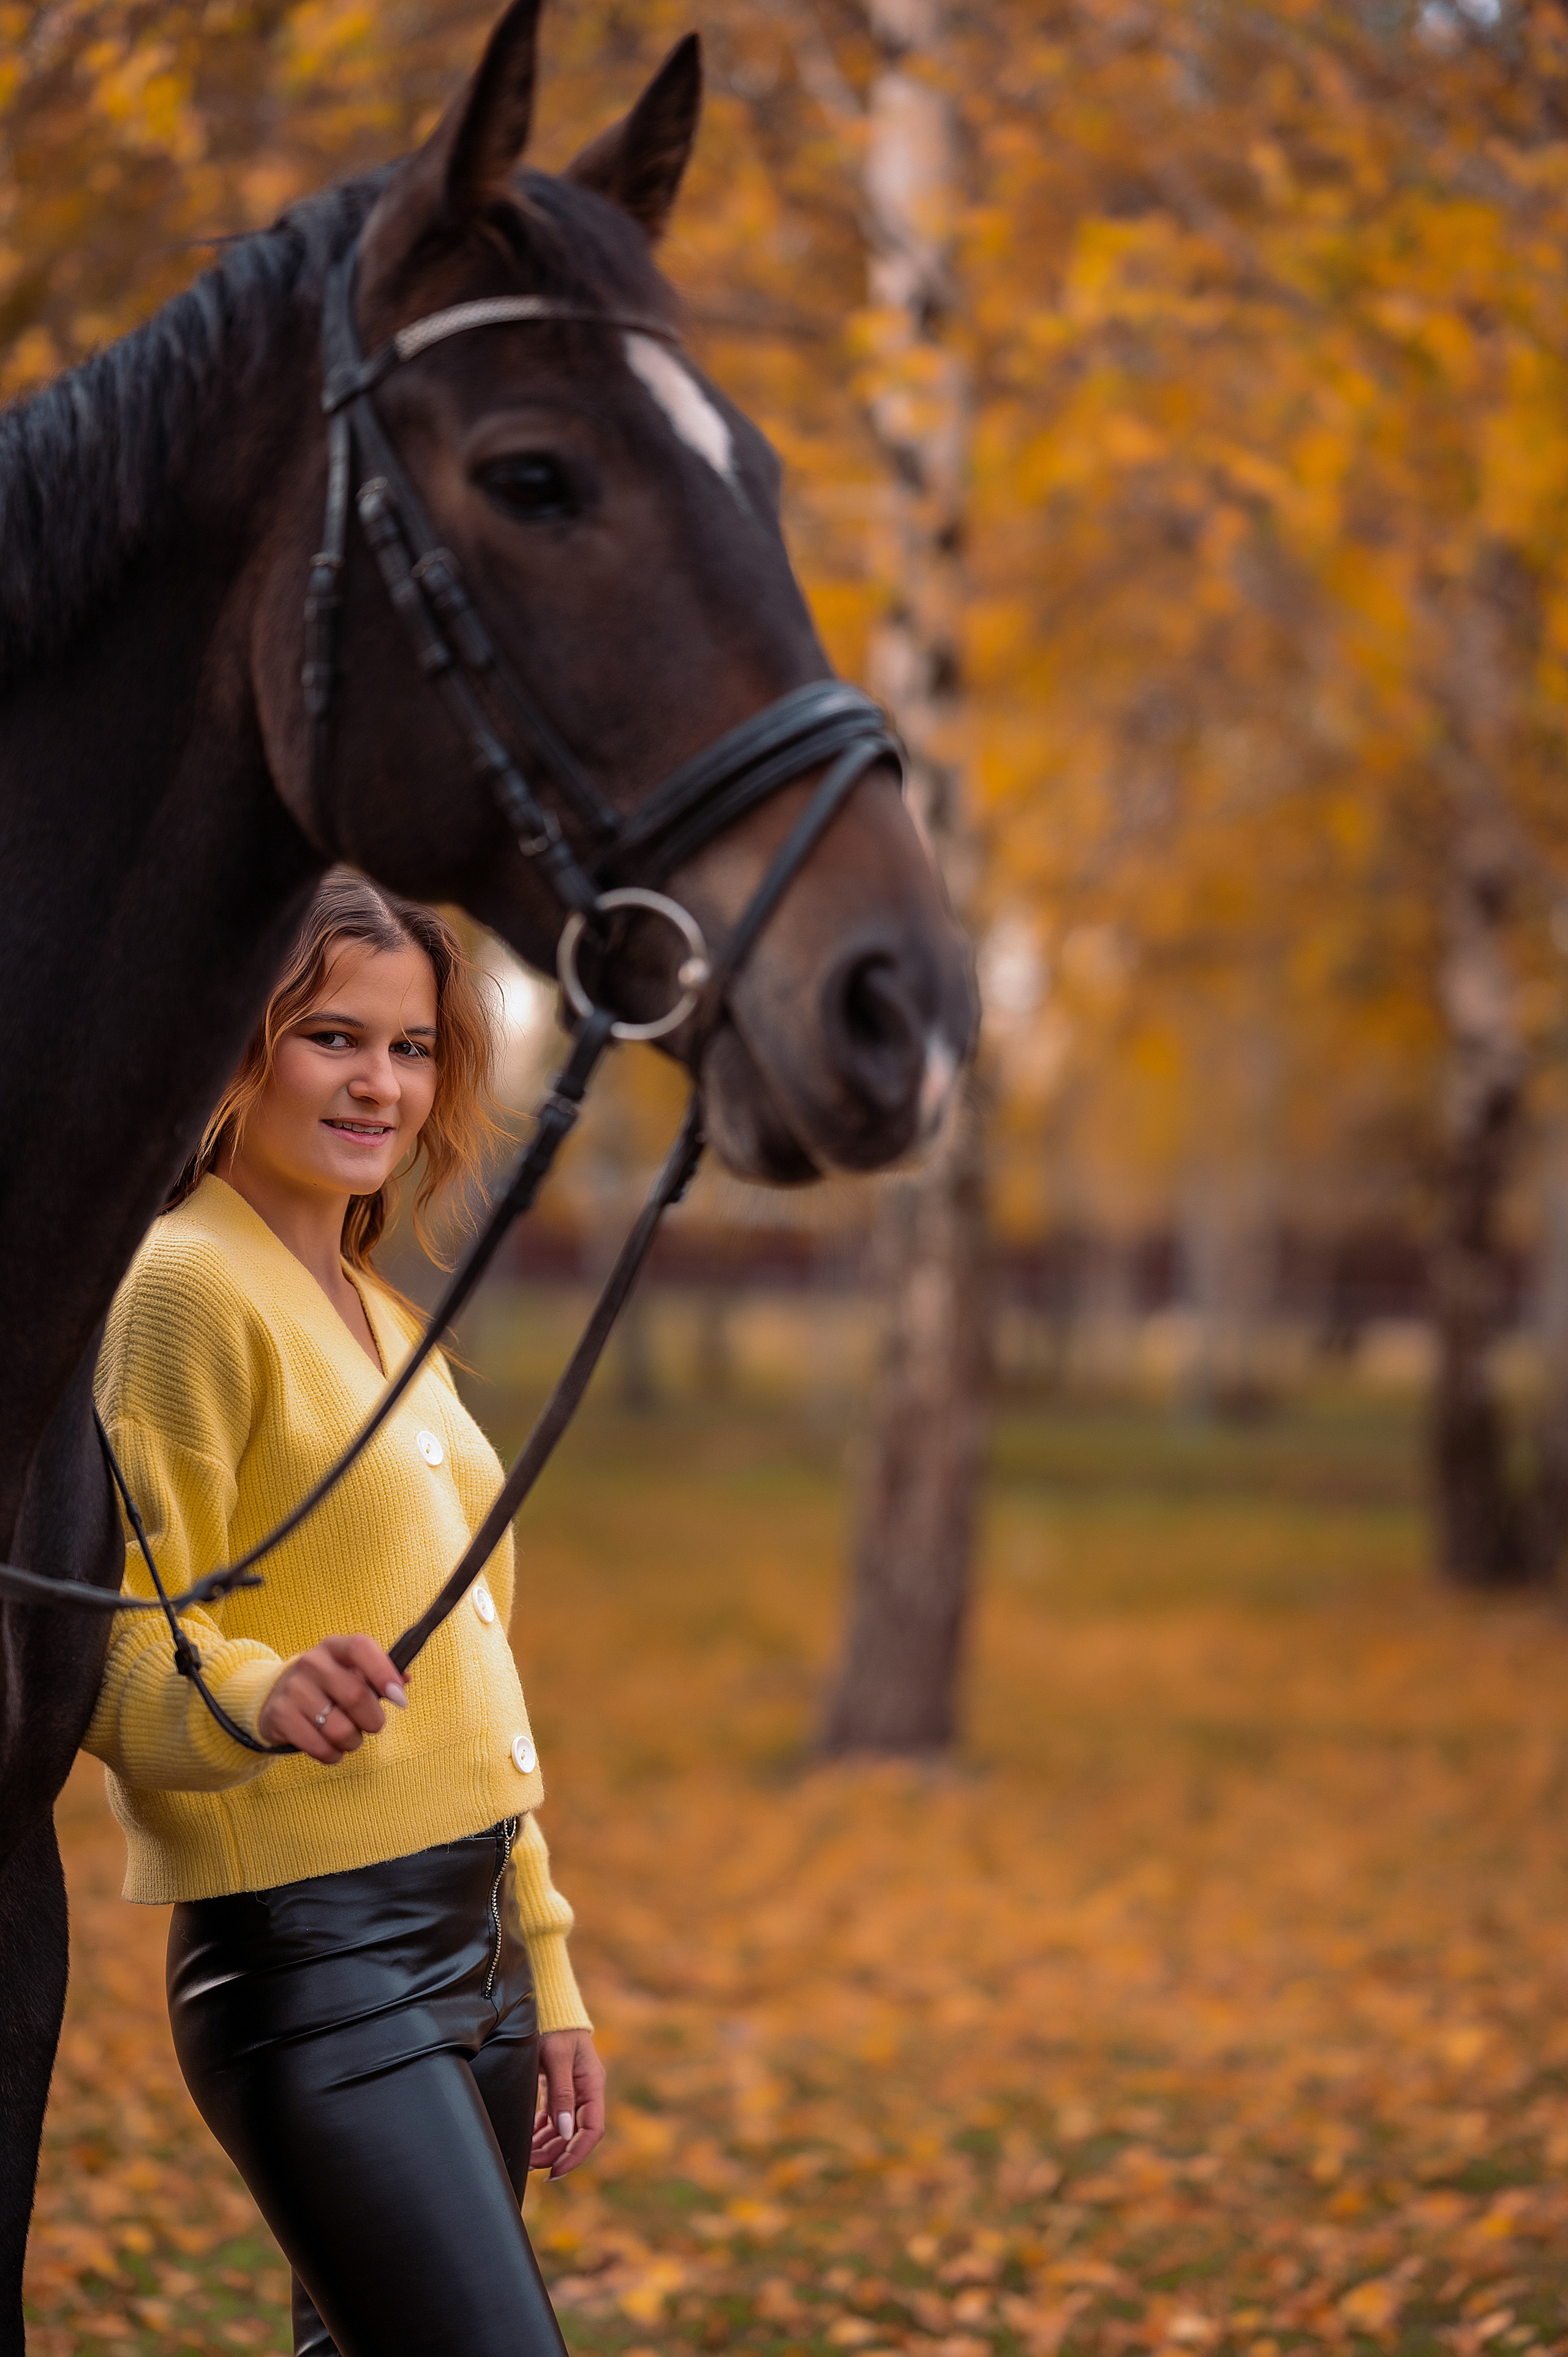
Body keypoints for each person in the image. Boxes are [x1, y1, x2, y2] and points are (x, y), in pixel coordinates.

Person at [83, 871, 603, 2357]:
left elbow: (480, 1677)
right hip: (316, 1962)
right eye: (332, 1035)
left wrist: (544, 1962)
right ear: (236, 1048)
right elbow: (114, 1639)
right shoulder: (184, 1285)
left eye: (414, 1045)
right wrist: (255, 1694)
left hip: (477, 1949)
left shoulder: (379, 1310)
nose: (380, 1081)